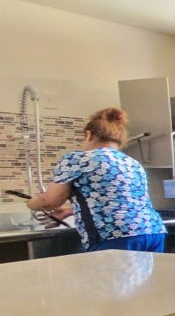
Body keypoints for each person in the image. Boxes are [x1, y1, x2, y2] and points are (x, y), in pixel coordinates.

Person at [26, 107, 166, 252]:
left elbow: (49, 201)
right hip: (153, 231)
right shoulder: (131, 162)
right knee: (148, 275)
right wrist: (71, 210)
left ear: (89, 135)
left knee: (109, 276)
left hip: (114, 235)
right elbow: (119, 201)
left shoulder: (77, 159)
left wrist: (31, 203)